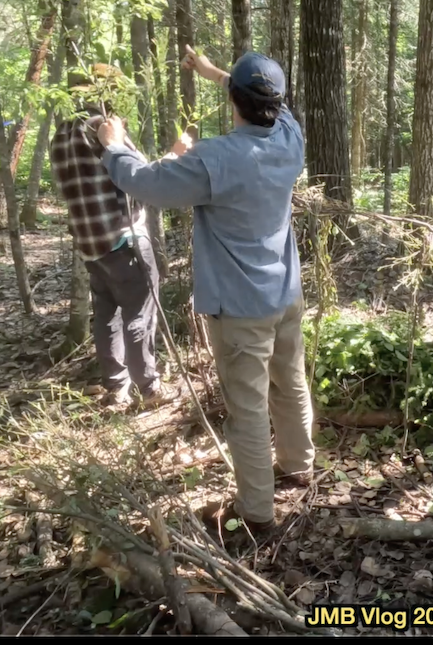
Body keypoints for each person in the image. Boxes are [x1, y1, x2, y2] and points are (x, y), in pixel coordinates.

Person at [97, 47, 314, 537]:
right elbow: (264, 101)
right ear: (276, 102)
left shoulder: (215, 159)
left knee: (249, 409)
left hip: (240, 308)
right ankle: (299, 465)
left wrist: (115, 144)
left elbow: (146, 183)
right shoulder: (290, 136)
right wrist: (217, 71)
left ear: (234, 101)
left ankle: (258, 514)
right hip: (285, 294)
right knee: (291, 380)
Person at [49, 63, 176, 411]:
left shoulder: (59, 135)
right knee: (139, 312)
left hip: (91, 248)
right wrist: (176, 154)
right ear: (100, 92)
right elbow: (142, 177)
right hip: (124, 240)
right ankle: (150, 389)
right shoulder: (101, 128)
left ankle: (115, 388)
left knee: (106, 316)